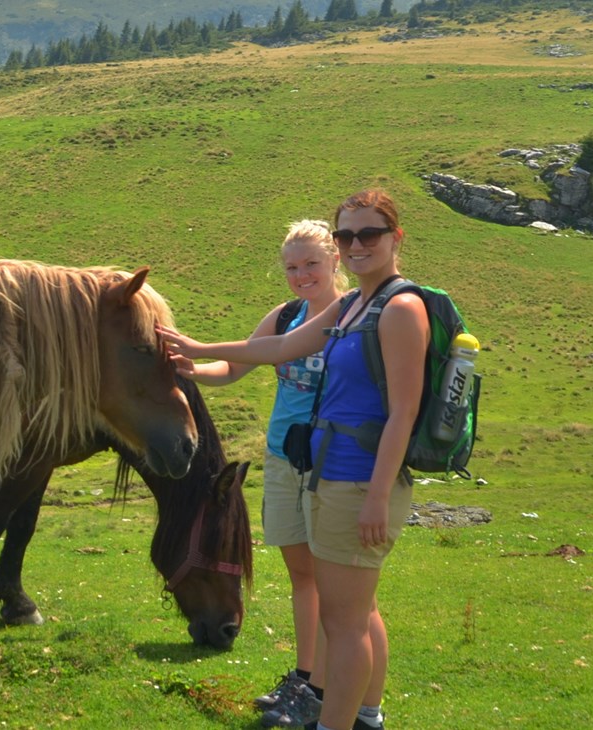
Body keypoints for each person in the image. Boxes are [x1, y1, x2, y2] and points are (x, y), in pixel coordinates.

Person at [160, 189, 425, 730]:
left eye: (366, 235)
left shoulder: (392, 308)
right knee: (333, 601)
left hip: (350, 474)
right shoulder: (342, 310)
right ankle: (333, 698)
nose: (356, 245)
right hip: (312, 467)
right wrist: (194, 355)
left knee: (348, 610)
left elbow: (402, 412)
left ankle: (340, 706)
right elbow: (273, 352)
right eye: (348, 235)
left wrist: (377, 493)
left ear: (391, 239)